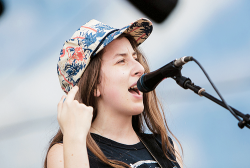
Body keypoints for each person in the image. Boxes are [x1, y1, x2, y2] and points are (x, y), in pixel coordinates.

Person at [44, 18, 183, 168]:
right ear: (93, 85)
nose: (140, 68)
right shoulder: (64, 152)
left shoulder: (166, 148)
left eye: (136, 58)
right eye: (121, 61)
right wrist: (74, 137)